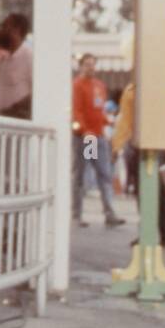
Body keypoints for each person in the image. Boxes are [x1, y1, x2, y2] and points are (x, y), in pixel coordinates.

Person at [111, 83, 165, 245]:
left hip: (158, 146)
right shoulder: (131, 90)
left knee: (158, 193)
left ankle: (161, 232)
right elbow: (125, 120)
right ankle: (149, 232)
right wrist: (117, 144)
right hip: (90, 138)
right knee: (143, 191)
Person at [72, 53, 125, 227]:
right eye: (87, 64)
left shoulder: (99, 85)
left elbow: (99, 110)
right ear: (81, 66)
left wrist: (106, 122)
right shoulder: (77, 85)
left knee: (105, 174)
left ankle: (109, 213)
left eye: (93, 64)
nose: (91, 68)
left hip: (98, 136)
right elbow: (76, 110)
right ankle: (76, 214)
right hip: (86, 137)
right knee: (81, 174)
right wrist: (84, 129)